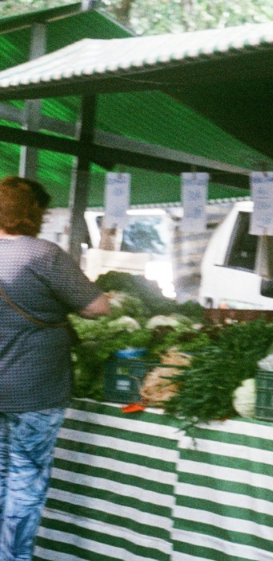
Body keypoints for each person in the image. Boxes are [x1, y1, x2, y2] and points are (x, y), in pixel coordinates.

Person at [0, 177, 109, 561]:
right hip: (35, 389)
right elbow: (97, 308)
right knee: (25, 478)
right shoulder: (43, 254)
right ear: (32, 213)